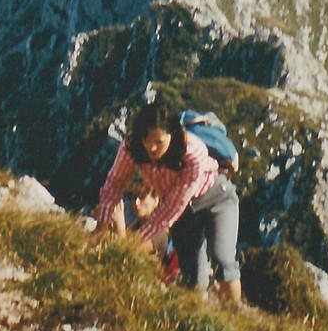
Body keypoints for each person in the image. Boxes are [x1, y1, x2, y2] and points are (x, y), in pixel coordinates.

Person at [93, 101, 243, 306]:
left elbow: (170, 210)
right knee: (192, 278)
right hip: (181, 211)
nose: (152, 147)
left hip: (216, 199)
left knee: (223, 260)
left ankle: (236, 318)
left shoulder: (192, 151)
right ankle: (196, 325)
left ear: (172, 134)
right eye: (147, 140)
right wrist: (101, 224)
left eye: (159, 141)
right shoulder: (132, 146)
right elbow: (114, 184)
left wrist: (130, 245)